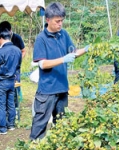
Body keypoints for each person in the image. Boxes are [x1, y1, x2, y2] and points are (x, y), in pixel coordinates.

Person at [30, 2, 88, 140]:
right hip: (47, 90)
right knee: (40, 124)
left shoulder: (64, 35)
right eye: (57, 21)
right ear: (48, 20)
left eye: (62, 20)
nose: (60, 24)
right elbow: (42, 64)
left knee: (61, 125)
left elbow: (72, 53)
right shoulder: (41, 39)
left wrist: (86, 49)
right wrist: (63, 59)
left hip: (62, 88)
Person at [0, 21, 26, 114]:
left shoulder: (17, 38)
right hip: (3, 68)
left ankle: (16, 107)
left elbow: (23, 51)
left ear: (10, 30)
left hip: (15, 68)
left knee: (15, 86)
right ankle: (6, 108)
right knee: (5, 88)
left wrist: (17, 60)